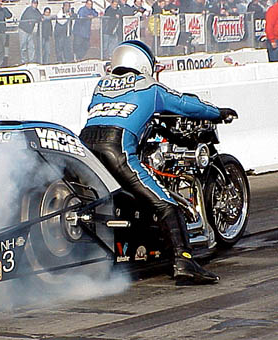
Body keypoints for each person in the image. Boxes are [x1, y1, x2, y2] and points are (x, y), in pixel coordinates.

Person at [79, 40, 236, 284]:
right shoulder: (149, 86)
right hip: (117, 147)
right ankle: (184, 260)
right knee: (165, 203)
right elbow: (185, 104)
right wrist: (217, 112)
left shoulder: (101, 85)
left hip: (86, 146)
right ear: (143, 63)